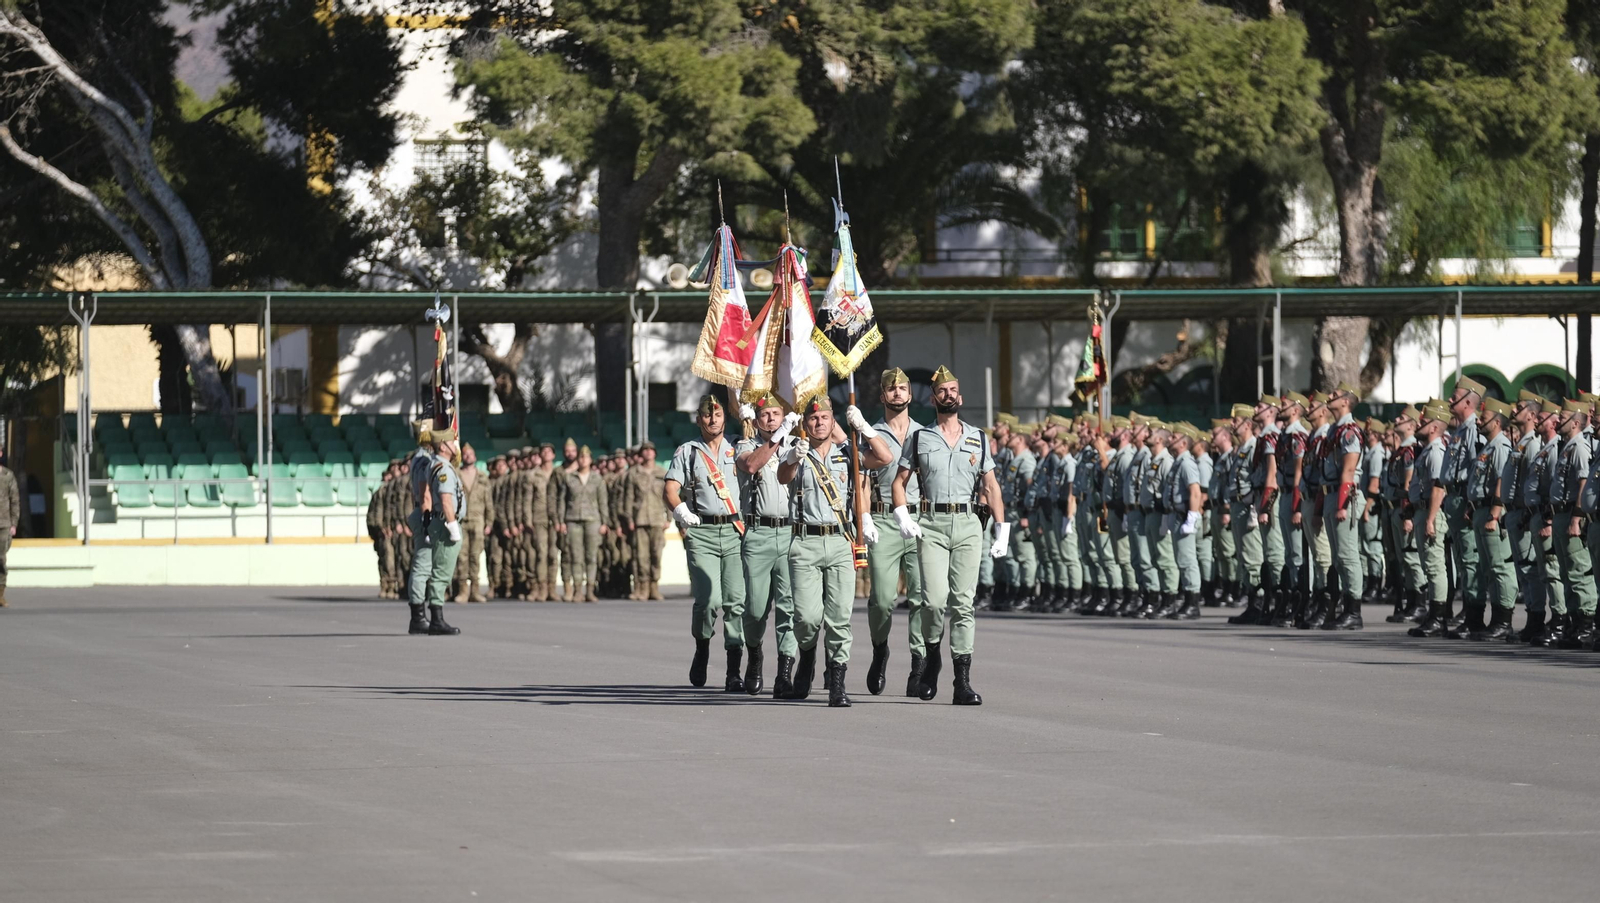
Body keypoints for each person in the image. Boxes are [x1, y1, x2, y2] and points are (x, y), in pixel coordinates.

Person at [891, 365, 1006, 705]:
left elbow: (991, 485)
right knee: (933, 600)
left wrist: (1003, 530)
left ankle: (962, 680)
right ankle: (932, 658)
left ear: (960, 396)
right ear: (933, 398)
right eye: (942, 391)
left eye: (952, 390)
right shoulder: (920, 437)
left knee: (963, 603)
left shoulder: (978, 437)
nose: (948, 395)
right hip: (933, 524)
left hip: (969, 524)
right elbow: (899, 482)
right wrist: (902, 515)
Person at [778, 396, 892, 706]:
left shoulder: (849, 452)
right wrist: (791, 459)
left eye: (825, 418)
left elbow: (884, 457)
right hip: (805, 543)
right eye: (813, 419)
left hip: (841, 541)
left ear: (832, 422)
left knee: (840, 617)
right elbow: (782, 478)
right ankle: (806, 654)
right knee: (805, 617)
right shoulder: (797, 452)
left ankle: (837, 680)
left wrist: (864, 428)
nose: (819, 423)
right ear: (806, 424)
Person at [857, 369, 934, 695]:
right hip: (885, 521)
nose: (899, 393)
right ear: (883, 395)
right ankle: (880, 649)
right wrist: (864, 517)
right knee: (883, 599)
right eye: (892, 389)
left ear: (910, 395)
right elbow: (859, 478)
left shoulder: (927, 434)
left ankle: (918, 665)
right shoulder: (870, 432)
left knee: (921, 598)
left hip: (919, 520)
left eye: (903, 388)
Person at [665, 395, 748, 690]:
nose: (713, 419)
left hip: (736, 530)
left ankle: (733, 670)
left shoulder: (740, 447)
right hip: (703, 532)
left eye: (717, 414)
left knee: (736, 602)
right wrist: (680, 509)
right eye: (706, 415)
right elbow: (671, 488)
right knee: (708, 601)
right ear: (699, 419)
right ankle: (702, 647)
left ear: (726, 417)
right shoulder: (688, 452)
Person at [735, 398, 800, 696]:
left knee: (788, 607)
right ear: (757, 419)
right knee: (756, 607)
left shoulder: (796, 446)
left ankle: (785, 672)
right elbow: (751, 465)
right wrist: (777, 438)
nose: (772, 419)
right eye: (765, 415)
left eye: (777, 415)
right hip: (758, 534)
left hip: (789, 532)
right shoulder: (745, 445)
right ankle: (755, 655)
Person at [1550, 398, 1597, 648]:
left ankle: (1585, 623)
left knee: (1578, 571)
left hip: (1570, 514)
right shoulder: (1567, 446)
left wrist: (1576, 518)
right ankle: (1573, 621)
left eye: (1564, 417)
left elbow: (1582, 483)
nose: (1558, 420)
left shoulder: (1579, 446)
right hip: (1559, 514)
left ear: (1576, 422)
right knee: (1566, 572)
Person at [1470, 398, 1518, 640]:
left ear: (1497, 421)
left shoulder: (1500, 446)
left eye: (1484, 417)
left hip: (1492, 510)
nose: (1479, 420)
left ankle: (1504, 620)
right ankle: (1495, 618)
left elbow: (1502, 480)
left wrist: (1495, 514)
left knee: (1500, 567)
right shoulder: (1488, 446)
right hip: (1481, 510)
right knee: (1489, 569)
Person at [1320, 383, 1366, 630]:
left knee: (1348, 555)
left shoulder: (1350, 431)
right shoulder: (1334, 431)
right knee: (1338, 556)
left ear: (1346, 402)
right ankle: (1344, 606)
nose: (1329, 397)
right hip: (1330, 494)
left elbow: (1348, 469)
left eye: (1335, 395)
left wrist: (1342, 504)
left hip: (1343, 495)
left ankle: (1354, 610)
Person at [1406, 403, 1452, 638]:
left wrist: (1431, 519)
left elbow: (1438, 486)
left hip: (1431, 511)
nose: (1418, 425)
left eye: (1423, 422)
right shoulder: (1427, 449)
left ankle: (1438, 616)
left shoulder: (1435, 451)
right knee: (1429, 567)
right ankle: (1434, 615)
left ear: (1434, 426)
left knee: (1435, 568)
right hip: (1422, 510)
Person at [418, 428, 465, 636]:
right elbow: (446, 500)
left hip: (440, 522)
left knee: (441, 570)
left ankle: (437, 615)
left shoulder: (437, 465)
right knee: (442, 571)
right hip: (445, 524)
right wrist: (453, 525)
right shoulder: (444, 469)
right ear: (444, 446)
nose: (455, 446)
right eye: (452, 443)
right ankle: (437, 619)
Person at [1227, 405, 1265, 624]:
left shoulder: (1253, 448)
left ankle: (1258, 603)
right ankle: (1252, 600)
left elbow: (1257, 480)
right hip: (1237, 506)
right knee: (1243, 557)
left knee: (1252, 557)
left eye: (1236, 421)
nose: (1232, 425)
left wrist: (1254, 508)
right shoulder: (1241, 449)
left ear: (1248, 424)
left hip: (1247, 506)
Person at [559, 446, 609, 603]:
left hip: (592, 520)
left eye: (586, 457)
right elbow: (562, 501)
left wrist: (604, 522)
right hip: (573, 519)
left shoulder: (597, 479)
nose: (583, 460)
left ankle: (590, 591)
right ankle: (578, 591)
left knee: (591, 556)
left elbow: (603, 501)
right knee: (576, 556)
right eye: (580, 457)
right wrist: (561, 521)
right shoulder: (569, 478)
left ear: (590, 460)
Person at [1166, 425, 1204, 619]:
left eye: (1174, 436)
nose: (1169, 438)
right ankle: (1188, 600)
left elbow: (1195, 491)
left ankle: (1193, 603)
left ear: (1183, 443)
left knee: (1188, 560)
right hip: (1176, 515)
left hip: (1184, 517)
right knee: (1182, 559)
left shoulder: (1187, 463)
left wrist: (1192, 516)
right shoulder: (1177, 462)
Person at [625, 441, 669, 602]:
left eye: (651, 450)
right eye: (645, 450)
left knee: (656, 554)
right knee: (641, 556)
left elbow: (668, 495)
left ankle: (653, 586)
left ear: (655, 453)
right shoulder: (634, 473)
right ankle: (642, 587)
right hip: (640, 519)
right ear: (641, 454)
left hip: (657, 519)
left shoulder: (662, 472)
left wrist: (669, 517)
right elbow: (628, 497)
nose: (648, 453)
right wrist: (629, 518)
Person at [452, 443, 492, 603]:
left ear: (475, 457)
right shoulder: (456, 475)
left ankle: (475, 590)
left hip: (478, 521)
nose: (468, 457)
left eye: (471, 454)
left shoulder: (482, 477)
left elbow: (488, 502)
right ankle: (463, 590)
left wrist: (489, 522)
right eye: (465, 454)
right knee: (462, 556)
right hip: (461, 520)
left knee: (475, 556)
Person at [368, 464, 395, 599]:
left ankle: (394, 586)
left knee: (394, 559)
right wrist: (379, 528)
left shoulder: (395, 491)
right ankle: (386, 585)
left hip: (394, 529)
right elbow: (374, 513)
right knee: (385, 559)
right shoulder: (379, 494)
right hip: (383, 531)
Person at [0, 452, 17, 606]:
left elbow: (14, 499)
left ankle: (0, 594)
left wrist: (14, 523)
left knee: (1, 559)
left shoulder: (8, 475)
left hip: (4, 524)